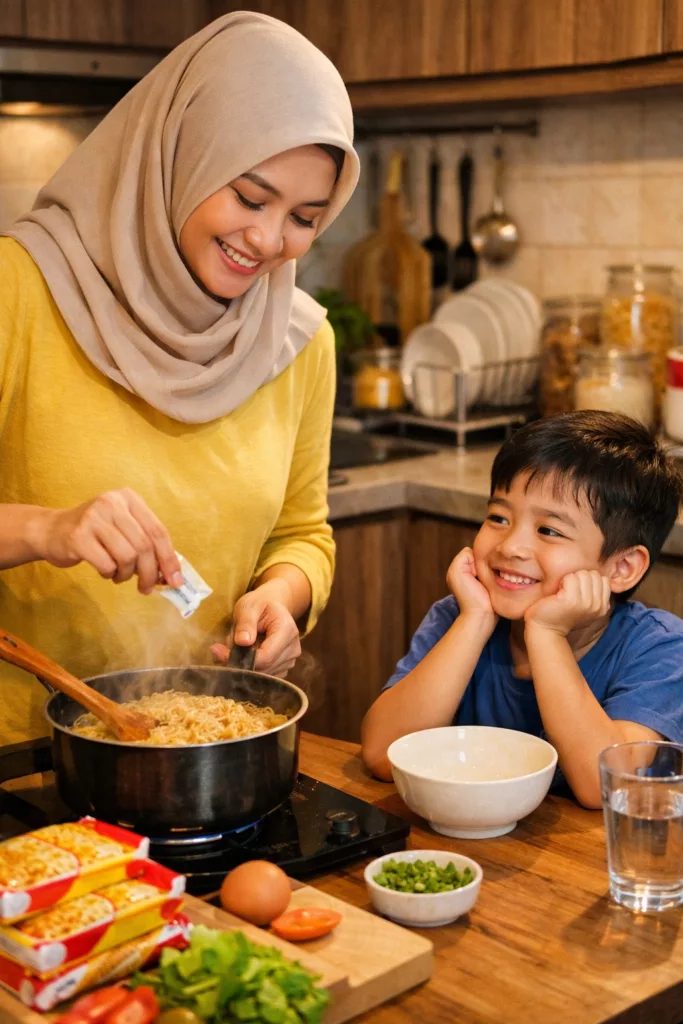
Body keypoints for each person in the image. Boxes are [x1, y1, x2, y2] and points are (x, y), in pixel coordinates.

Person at [0, 11, 360, 744]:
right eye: (249, 198)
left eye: (304, 218)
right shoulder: (17, 291)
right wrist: (49, 527)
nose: (266, 241)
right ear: (178, 155)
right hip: (19, 758)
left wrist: (282, 598)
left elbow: (302, 534)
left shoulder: (299, 339)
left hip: (197, 748)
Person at [362, 411, 683, 808]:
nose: (511, 546)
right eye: (498, 518)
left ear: (621, 568)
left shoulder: (660, 649)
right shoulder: (459, 616)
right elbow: (381, 753)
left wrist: (547, 634)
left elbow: (604, 788)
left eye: (549, 530)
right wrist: (474, 621)